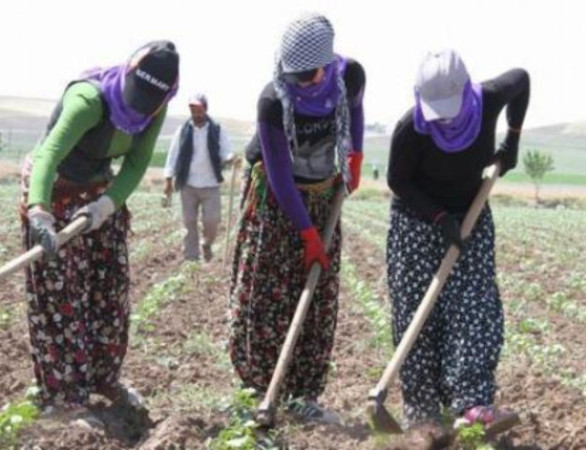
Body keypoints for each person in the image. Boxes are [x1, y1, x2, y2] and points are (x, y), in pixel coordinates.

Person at [20, 41, 179, 426]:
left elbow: (137, 162)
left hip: (97, 195)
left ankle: (105, 380)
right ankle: (64, 399)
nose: (139, 106)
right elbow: (49, 154)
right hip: (53, 191)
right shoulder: (89, 99)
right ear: (127, 72)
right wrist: (39, 211)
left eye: (149, 103)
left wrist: (106, 205)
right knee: (61, 301)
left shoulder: (154, 107)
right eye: (135, 95)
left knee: (109, 293)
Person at [228, 12, 365, 423]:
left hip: (324, 193)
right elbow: (279, 173)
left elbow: (355, 111)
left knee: (317, 294)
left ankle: (304, 393)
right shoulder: (273, 99)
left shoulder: (351, 76)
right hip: (276, 199)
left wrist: (354, 155)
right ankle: (258, 389)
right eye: (295, 76)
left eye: (309, 76)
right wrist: (306, 233)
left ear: (326, 65)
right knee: (265, 292)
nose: (301, 83)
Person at [386, 49, 529, 434]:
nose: (445, 117)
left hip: (471, 216)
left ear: (467, 91)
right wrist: (437, 217)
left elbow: (522, 78)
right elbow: (398, 182)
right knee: (418, 314)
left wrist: (512, 140)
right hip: (418, 222)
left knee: (475, 306)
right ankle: (423, 413)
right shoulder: (410, 128)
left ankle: (473, 403)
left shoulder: (490, 99)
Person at [164, 93, 237, 262]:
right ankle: (191, 257)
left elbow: (225, 151)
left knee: (212, 221)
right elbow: (173, 155)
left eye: (198, 108)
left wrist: (231, 158)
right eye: (192, 109)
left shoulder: (217, 129)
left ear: (205, 108)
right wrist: (168, 179)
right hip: (187, 184)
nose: (195, 112)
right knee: (189, 222)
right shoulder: (183, 130)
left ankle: (207, 243)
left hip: (210, 184)